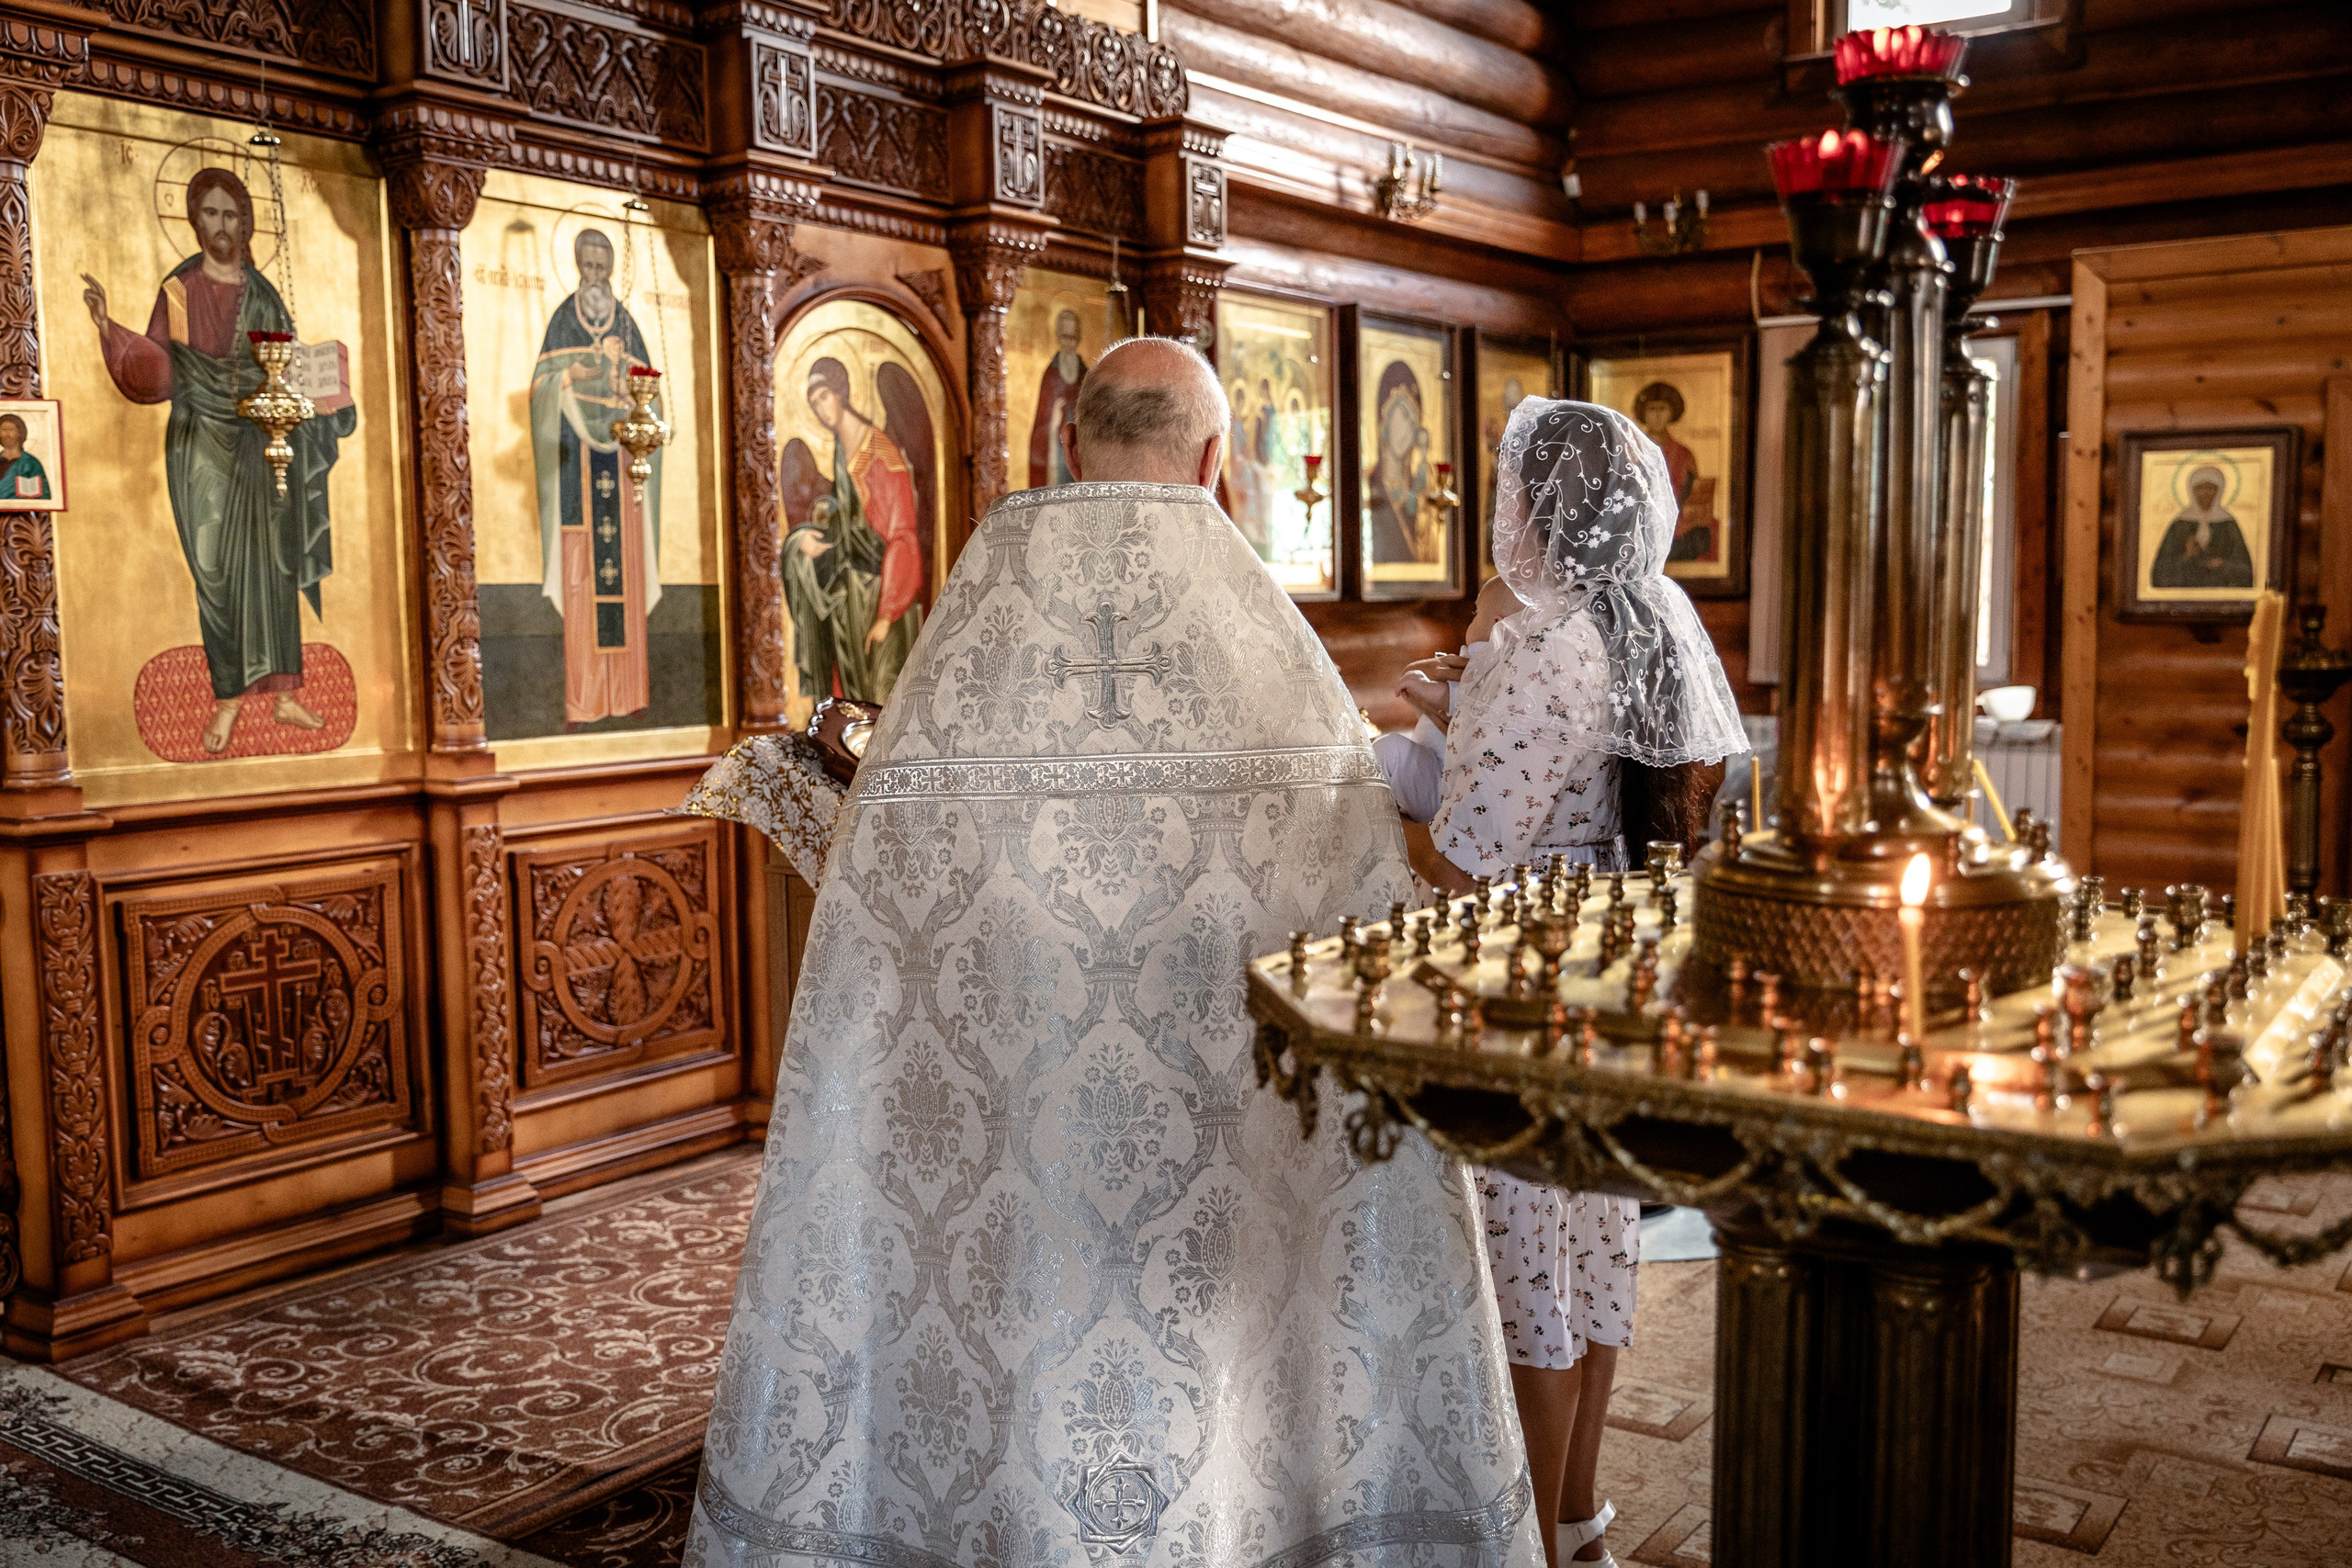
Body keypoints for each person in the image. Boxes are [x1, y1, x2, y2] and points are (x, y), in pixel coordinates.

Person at [678, 338, 1545, 1568]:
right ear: (1215, 460)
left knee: (1018, 1318)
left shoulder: (977, 623)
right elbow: (1356, 897)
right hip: (1220, 1125)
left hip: (1014, 1111)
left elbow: (888, 905)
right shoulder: (1269, 647)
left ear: (1068, 444)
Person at [1399, 399, 1747, 1568]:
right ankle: (1580, 1518)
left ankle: (1535, 1551)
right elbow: (1600, 783)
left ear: (1539, 509)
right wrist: (1466, 707)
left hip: (1526, 973)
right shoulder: (1646, 617)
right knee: (1594, 1238)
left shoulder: (1551, 641)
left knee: (1520, 1260)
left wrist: (1398, 796)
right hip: (1615, 959)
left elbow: (1463, 854)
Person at [83, 166, 356, 754]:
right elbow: (159, 365)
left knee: (274, 563)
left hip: (262, 440)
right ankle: (229, 698)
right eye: (209, 213)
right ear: (193, 220)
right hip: (200, 440)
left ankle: (284, 694)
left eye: (230, 214)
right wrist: (111, 329)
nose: (221, 225)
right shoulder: (181, 290)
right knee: (215, 570)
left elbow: (292, 370)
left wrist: (329, 396)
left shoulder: (263, 292)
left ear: (246, 221)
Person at [529, 228, 663, 727]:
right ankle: (585, 698)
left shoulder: (625, 324)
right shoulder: (564, 320)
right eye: (585, 267)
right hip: (575, 472)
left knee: (623, 573)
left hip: (625, 474)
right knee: (583, 573)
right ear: (576, 267)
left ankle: (626, 695)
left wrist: (628, 391)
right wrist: (576, 376)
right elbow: (541, 391)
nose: (593, 277)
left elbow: (653, 401)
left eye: (600, 268)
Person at [783, 356, 925, 703]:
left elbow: (902, 538)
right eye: (813, 402)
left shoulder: (881, 457)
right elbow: (843, 530)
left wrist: (887, 614)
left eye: (824, 397)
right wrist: (802, 538)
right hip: (850, 605)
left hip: (880, 603)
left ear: (841, 393)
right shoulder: (841, 452)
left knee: (879, 710)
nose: (820, 409)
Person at [1631, 381, 1718, 567]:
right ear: (1643, 413)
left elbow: (1695, 494)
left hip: (1678, 523)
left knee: (1703, 536)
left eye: (1662, 409)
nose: (1657, 415)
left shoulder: (1684, 454)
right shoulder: (1632, 450)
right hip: (1641, 521)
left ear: (1672, 412)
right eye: (1652, 409)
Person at [2150, 463, 2255, 590]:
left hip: (2220, 591)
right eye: (2200, 488)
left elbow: (2246, 571)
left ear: (2219, 490)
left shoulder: (2228, 524)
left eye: (2210, 488)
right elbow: (2159, 572)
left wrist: (2223, 565)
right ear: (2192, 490)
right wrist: (2186, 557)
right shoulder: (2179, 524)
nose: (2205, 493)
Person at [1025, 307, 1088, 488]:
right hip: (1055, 449)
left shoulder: (1087, 376)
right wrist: (1052, 422)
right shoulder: (1050, 375)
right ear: (1058, 337)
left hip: (1080, 448)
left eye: (1073, 337)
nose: (1069, 342)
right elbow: (1041, 423)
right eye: (1065, 336)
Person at [0, 414, 50, 502]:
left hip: (24, 512)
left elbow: (43, 495)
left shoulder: (31, 463)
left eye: (11, 430)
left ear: (20, 432)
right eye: (4, 430)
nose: (7, 434)